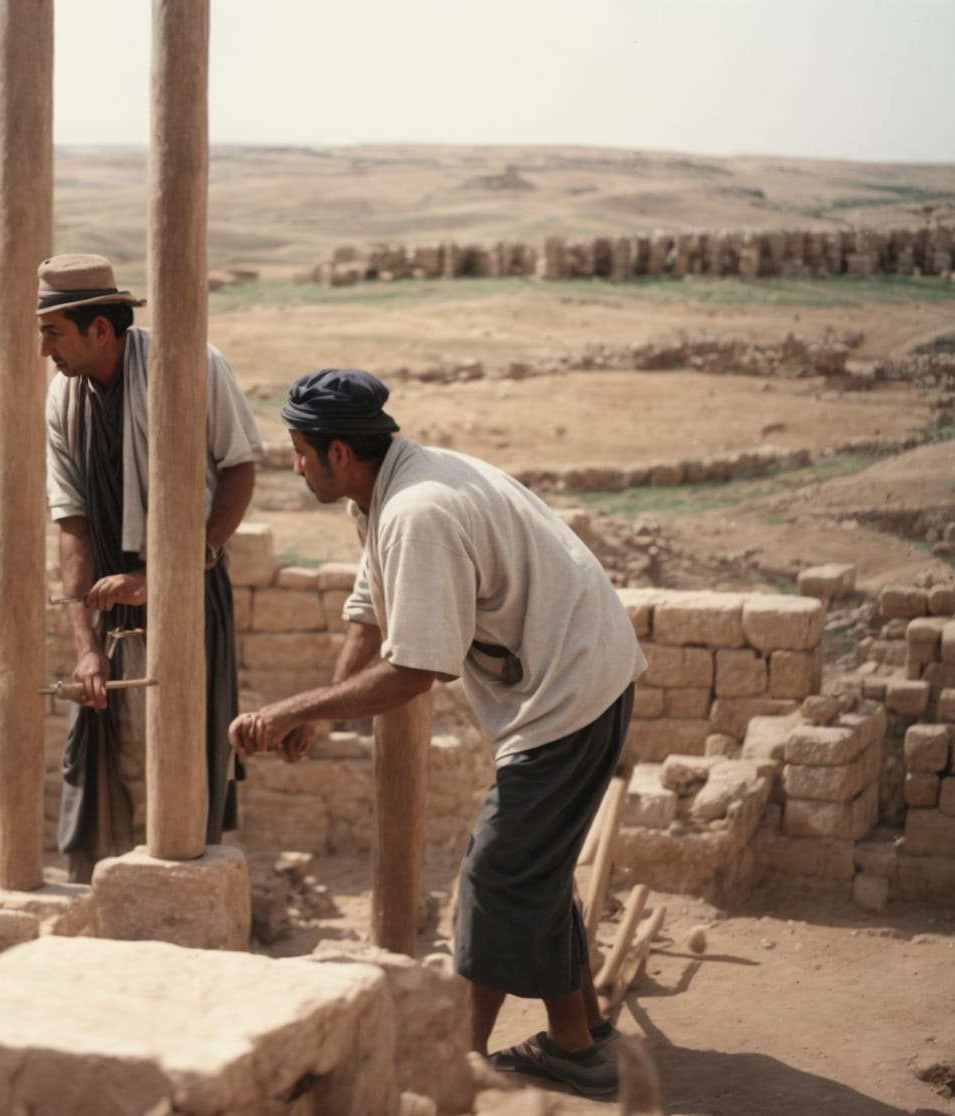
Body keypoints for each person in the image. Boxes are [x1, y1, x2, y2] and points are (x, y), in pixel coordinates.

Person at [229, 367, 646, 1098]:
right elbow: (371, 611)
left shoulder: (417, 512)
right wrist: (319, 715)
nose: (293, 467)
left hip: (575, 689)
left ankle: (455, 1059)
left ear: (338, 454)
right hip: (577, 673)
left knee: (494, 875)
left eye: (299, 452)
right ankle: (577, 1041)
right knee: (534, 869)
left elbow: (417, 670)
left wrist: (294, 709)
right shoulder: (383, 494)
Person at [40, 253, 263, 882]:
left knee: (186, 757)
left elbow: (241, 468)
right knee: (102, 761)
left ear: (99, 330)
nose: (44, 350)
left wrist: (168, 577)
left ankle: (182, 894)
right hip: (108, 604)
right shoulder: (63, 396)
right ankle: (103, 896)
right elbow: (72, 520)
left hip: (190, 590)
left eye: (52, 333)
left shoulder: (190, 365)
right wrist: (86, 646)